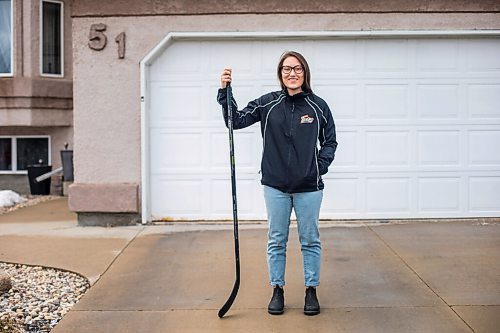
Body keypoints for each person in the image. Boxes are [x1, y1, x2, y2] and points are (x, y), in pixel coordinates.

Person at [217, 51, 338, 316]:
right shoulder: (268, 103)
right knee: (276, 240)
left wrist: (319, 166)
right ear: (280, 74)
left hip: (309, 187)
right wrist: (225, 92)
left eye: (297, 69)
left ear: (304, 72)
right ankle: (277, 290)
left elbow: (330, 141)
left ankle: (311, 290)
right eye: (286, 69)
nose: (291, 73)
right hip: (275, 186)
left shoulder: (318, 106)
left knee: (309, 240)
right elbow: (234, 121)